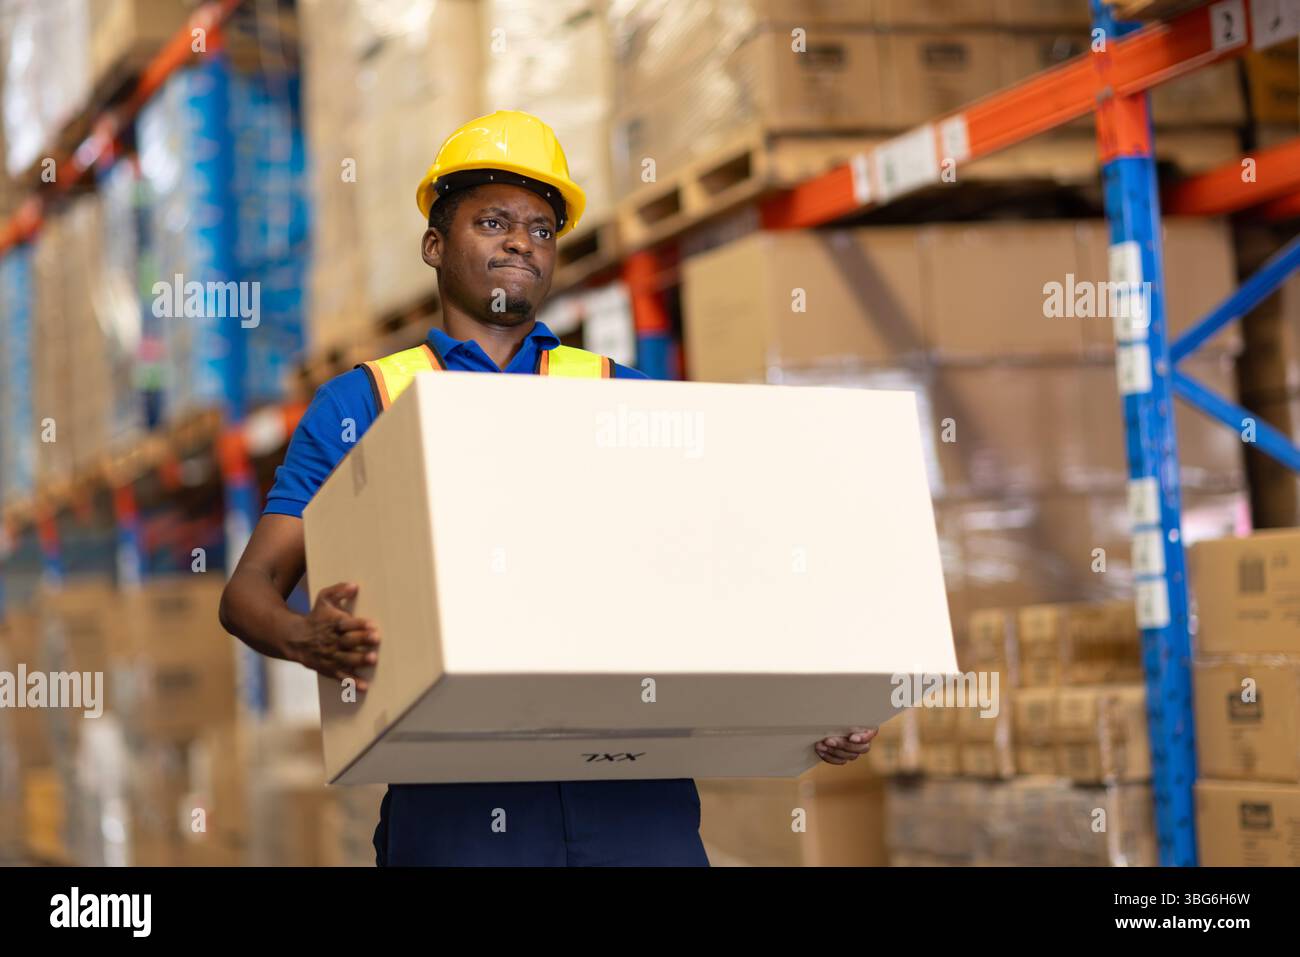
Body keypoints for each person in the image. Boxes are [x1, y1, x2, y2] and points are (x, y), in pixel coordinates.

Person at [219, 111, 877, 866]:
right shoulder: (366, 402)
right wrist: (306, 638)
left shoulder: (617, 392)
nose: (519, 241)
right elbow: (248, 592)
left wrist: (817, 705)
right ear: (435, 245)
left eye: (540, 228)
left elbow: (723, 569)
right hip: (457, 809)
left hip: (635, 809)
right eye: (492, 220)